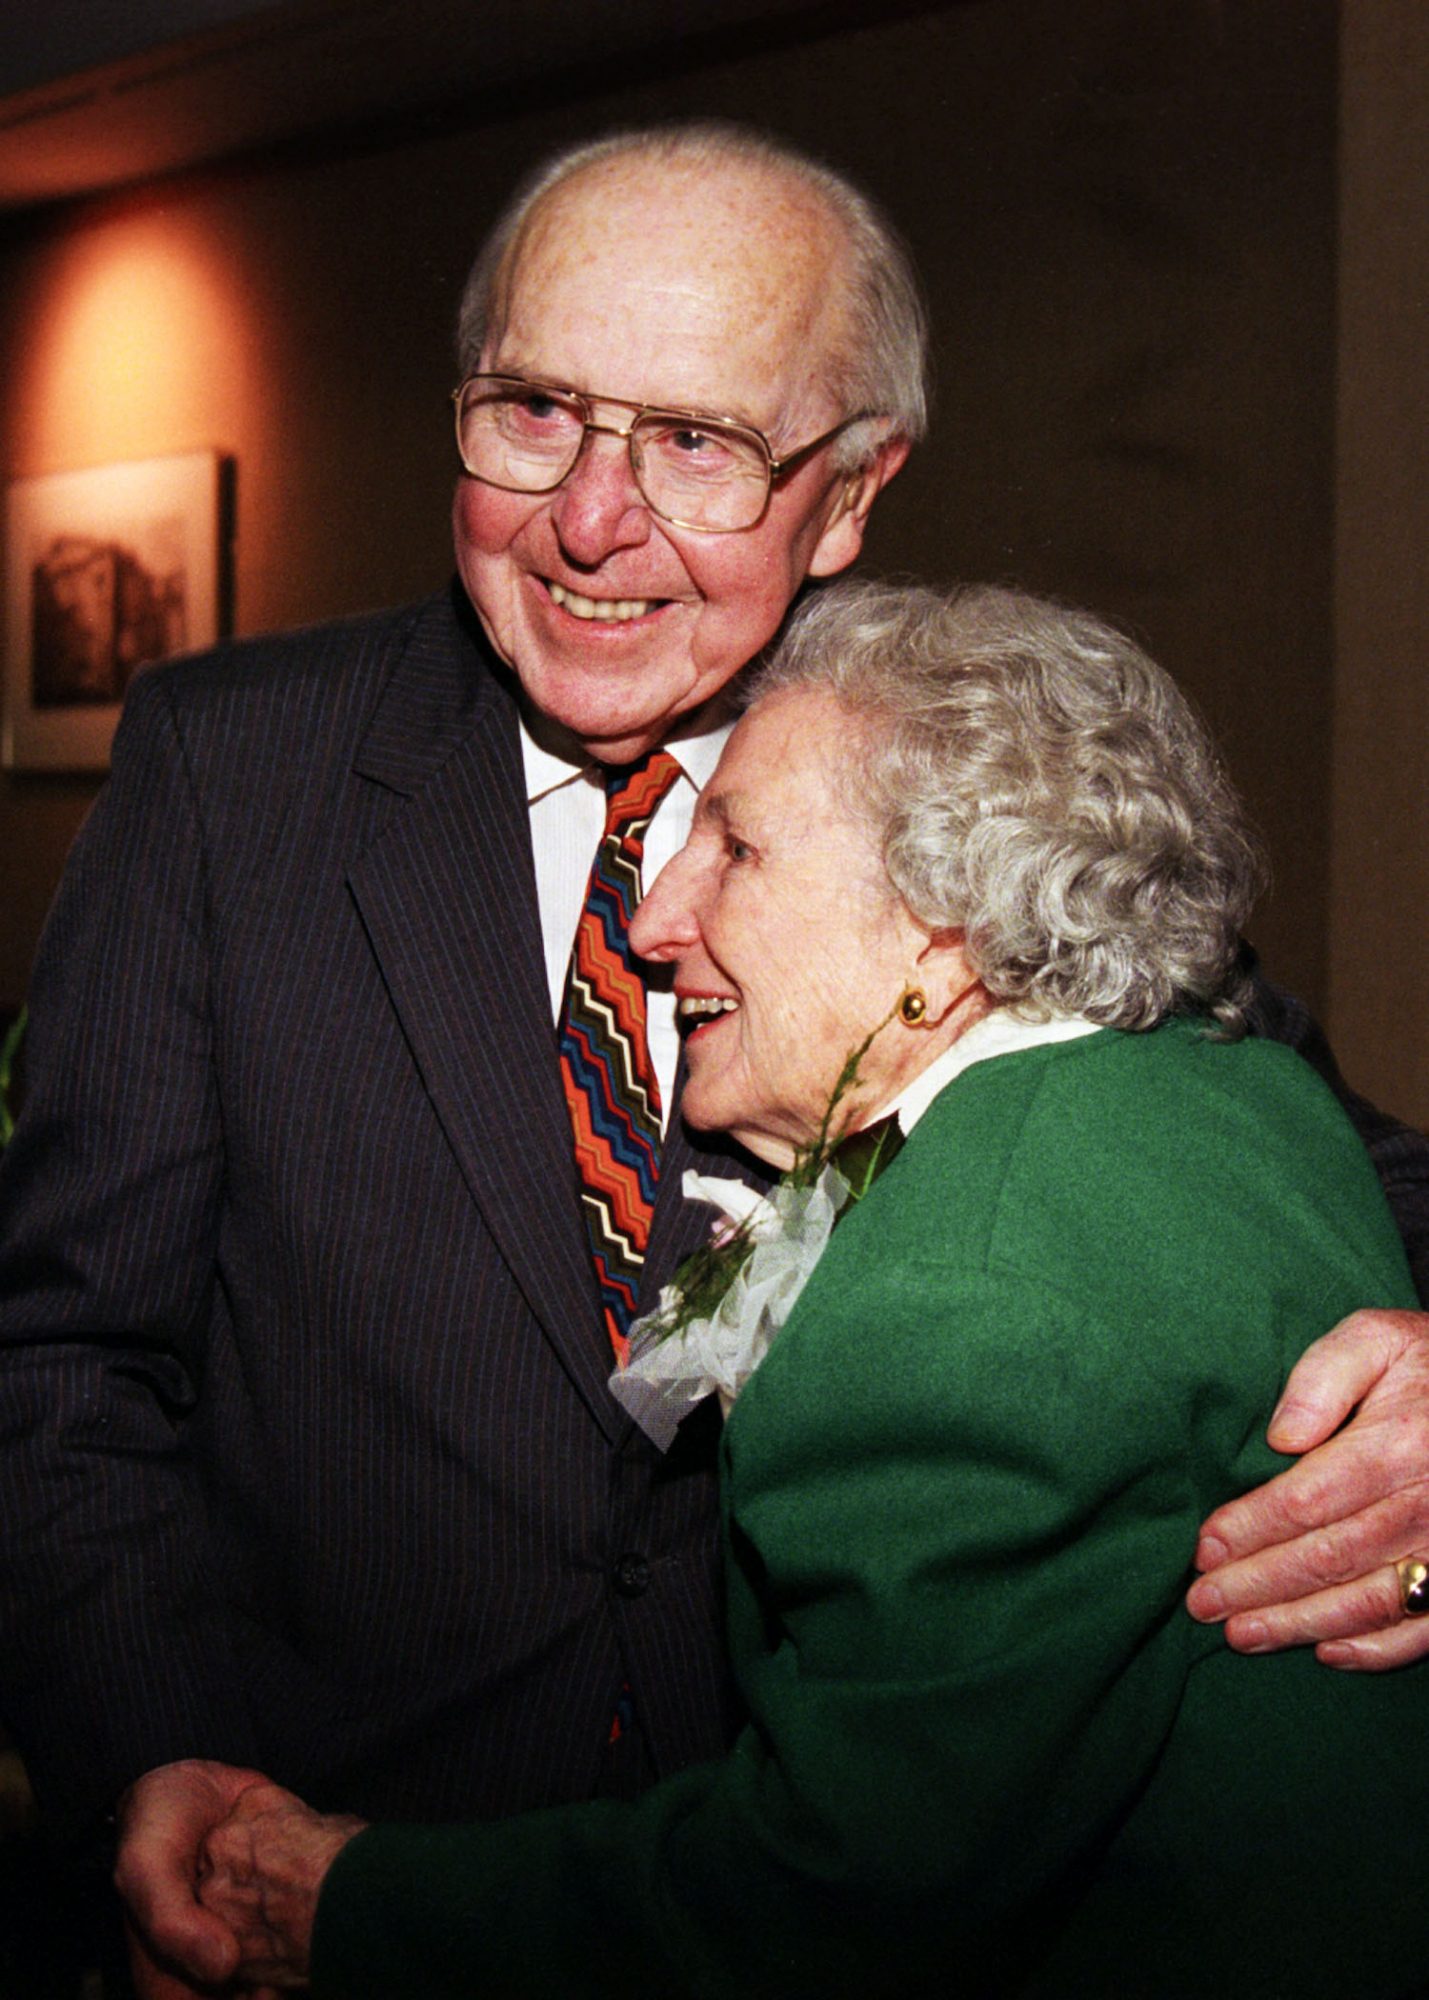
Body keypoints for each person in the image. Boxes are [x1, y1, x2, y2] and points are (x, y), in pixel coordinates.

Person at [0, 121, 1426, 1996]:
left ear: (847, 498)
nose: (590, 522)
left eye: (697, 445)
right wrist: (158, 1766)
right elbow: (65, 1360)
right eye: (534, 413)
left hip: (862, 1895)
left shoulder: (970, 770)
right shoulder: (225, 773)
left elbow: (1299, 1164)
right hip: (329, 1882)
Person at [179, 578, 1429, 1997]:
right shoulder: (1224, 1088)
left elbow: (830, 1902)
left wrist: (348, 1905)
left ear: (941, 928)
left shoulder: (957, 1296)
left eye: (738, 847)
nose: (655, 922)